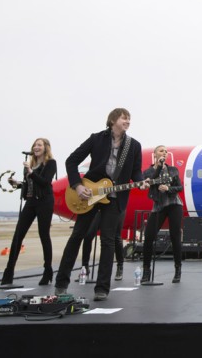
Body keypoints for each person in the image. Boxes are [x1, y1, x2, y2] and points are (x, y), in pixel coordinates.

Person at [54, 108, 146, 301]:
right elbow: (71, 160)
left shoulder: (134, 145)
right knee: (77, 236)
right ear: (113, 120)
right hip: (88, 194)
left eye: (129, 119)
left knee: (108, 241)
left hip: (113, 198)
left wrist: (143, 181)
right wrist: (77, 186)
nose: (128, 121)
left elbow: (135, 173)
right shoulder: (96, 139)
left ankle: (102, 288)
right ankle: (61, 283)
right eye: (124, 118)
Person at [1, 138, 57, 286]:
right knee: (18, 234)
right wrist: (18, 184)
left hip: (44, 201)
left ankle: (47, 271)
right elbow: (30, 184)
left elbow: (45, 182)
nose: (36, 147)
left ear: (46, 148)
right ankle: (8, 273)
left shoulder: (51, 163)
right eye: (34, 145)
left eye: (39, 145)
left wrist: (31, 172)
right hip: (31, 201)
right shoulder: (31, 164)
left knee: (43, 234)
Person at [141, 145, 184, 283]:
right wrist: (159, 166)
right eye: (161, 151)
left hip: (174, 204)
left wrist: (168, 188)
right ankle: (146, 270)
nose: (164, 153)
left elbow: (180, 187)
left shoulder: (173, 170)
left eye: (166, 152)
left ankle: (178, 269)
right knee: (148, 237)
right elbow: (151, 181)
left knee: (175, 236)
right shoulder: (148, 172)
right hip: (158, 206)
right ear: (155, 154)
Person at [80, 212, 126, 281]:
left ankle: (120, 266)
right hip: (100, 208)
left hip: (117, 207)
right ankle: (85, 267)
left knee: (116, 236)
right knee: (88, 235)